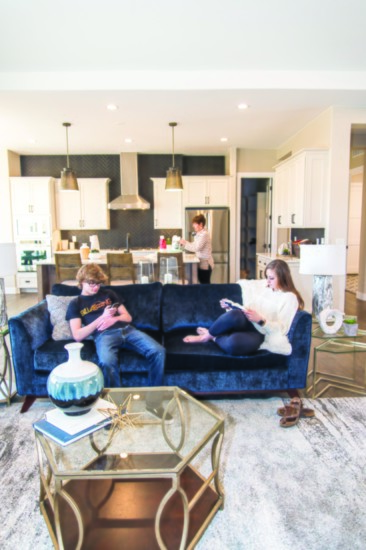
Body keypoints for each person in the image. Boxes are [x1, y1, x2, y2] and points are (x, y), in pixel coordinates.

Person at [66, 263, 168, 420]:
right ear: (81, 282)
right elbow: (77, 335)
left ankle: (153, 405)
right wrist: (102, 318)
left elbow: (128, 317)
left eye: (98, 283)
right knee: (107, 361)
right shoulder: (76, 303)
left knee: (158, 351)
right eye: (91, 283)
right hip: (103, 336)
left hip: (127, 330)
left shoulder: (109, 294)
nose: (96, 287)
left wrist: (114, 319)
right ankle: (116, 409)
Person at [183, 259, 304, 356]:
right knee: (234, 314)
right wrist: (231, 306)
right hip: (248, 321)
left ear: (283, 277)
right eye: (266, 277)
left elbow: (282, 329)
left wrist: (262, 321)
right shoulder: (265, 287)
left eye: (271, 278)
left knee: (234, 344)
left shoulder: (289, 298)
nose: (267, 282)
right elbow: (249, 305)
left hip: (262, 332)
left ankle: (214, 338)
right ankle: (206, 336)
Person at [180, 214, 214, 284]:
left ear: (201, 224)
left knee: (205, 284)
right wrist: (185, 242)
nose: (193, 226)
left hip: (205, 264)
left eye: (195, 224)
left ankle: (209, 295)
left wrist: (185, 244)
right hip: (201, 262)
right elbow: (194, 244)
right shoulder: (199, 234)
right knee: (203, 283)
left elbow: (196, 248)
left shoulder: (204, 234)